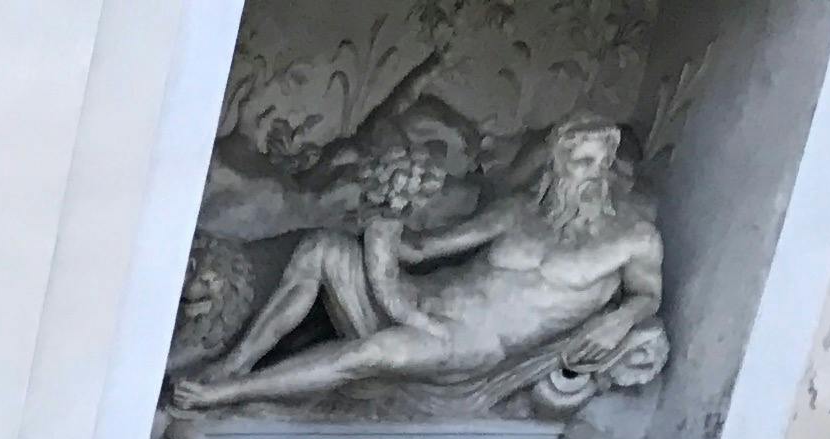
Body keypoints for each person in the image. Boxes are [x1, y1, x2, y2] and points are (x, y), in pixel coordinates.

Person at [175, 117, 666, 418]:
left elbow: (648, 294)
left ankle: (229, 394)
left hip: (469, 344)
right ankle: (235, 364)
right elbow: (420, 250)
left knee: (372, 352)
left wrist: (619, 319)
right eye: (579, 162)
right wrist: (387, 209)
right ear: (556, 165)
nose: (591, 175)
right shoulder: (519, 213)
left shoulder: (632, 238)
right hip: (422, 301)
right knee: (322, 248)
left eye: (599, 163)